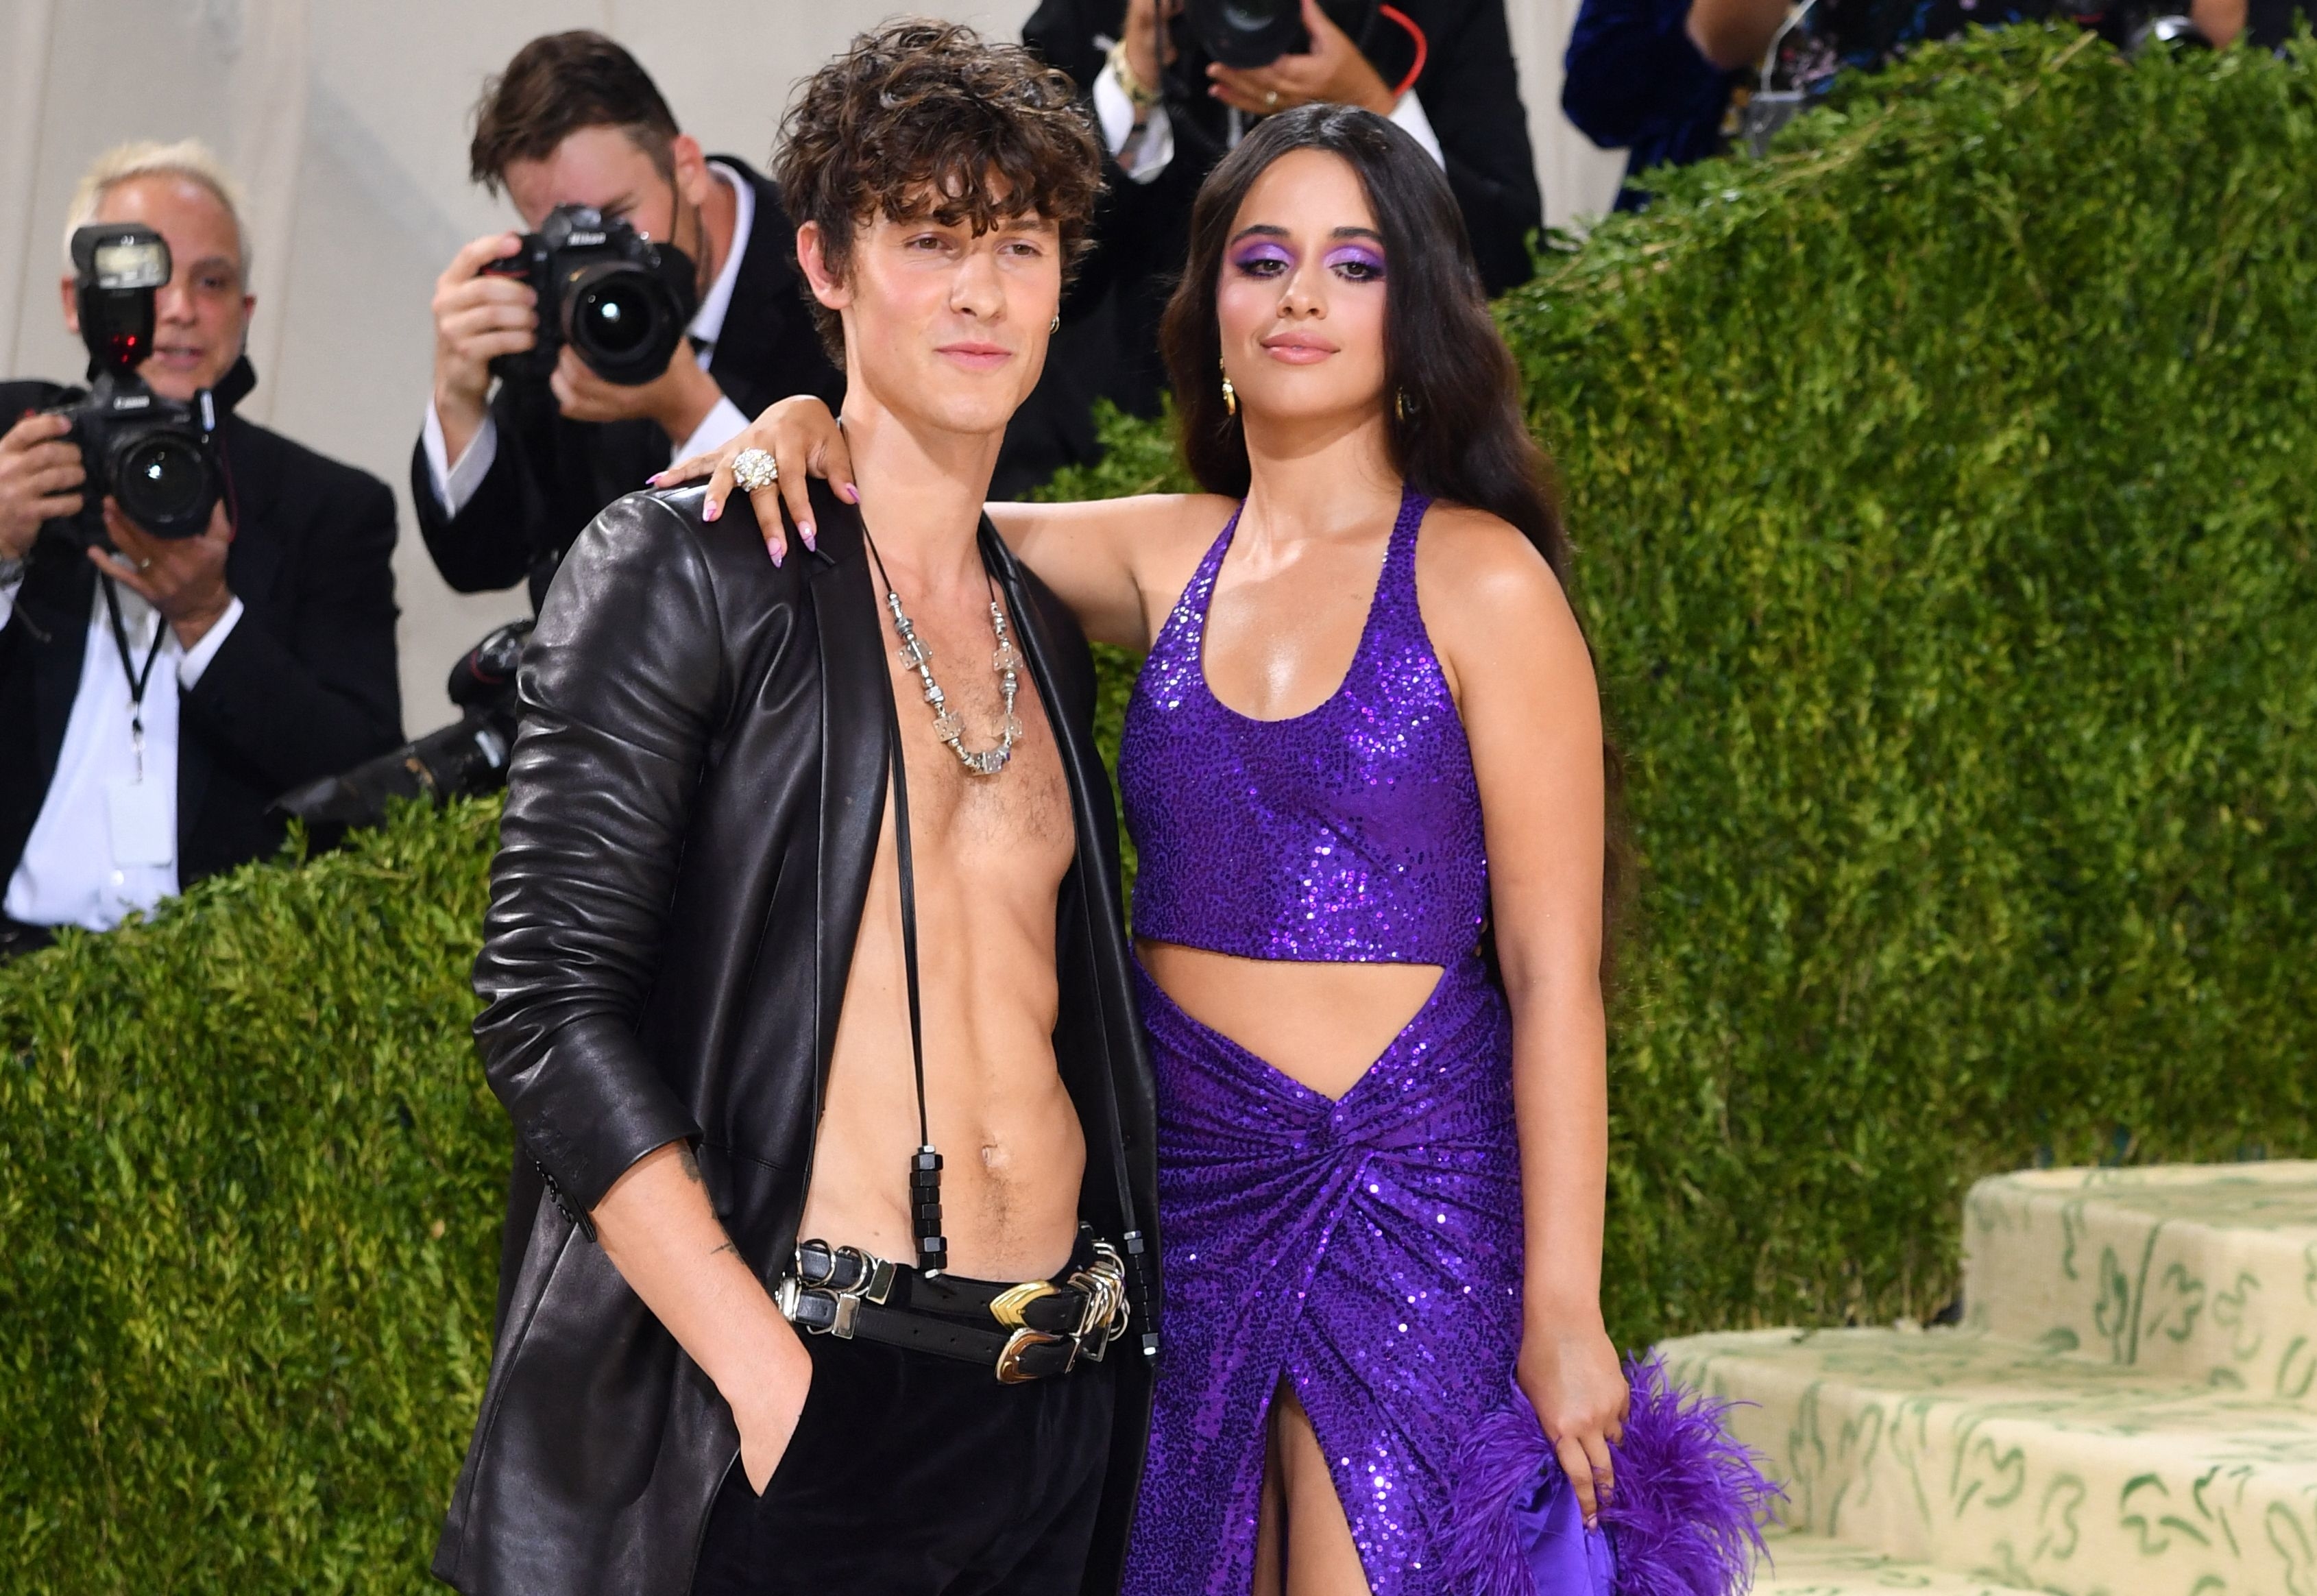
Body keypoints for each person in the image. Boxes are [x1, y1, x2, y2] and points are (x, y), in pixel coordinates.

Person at [681, 104, 1771, 1596]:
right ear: (1210, 313)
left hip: (1410, 1200)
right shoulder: (1160, 552)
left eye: (1354, 265)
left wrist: (1565, 1306)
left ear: (1420, 309)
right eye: (1264, 261)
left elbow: (1552, 972)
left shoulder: (1481, 578)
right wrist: (801, 422)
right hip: (1185, 1194)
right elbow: (913, 518)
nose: (1305, 297)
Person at [430, 24, 1157, 1596]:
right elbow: (544, 1005)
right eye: (931, 239)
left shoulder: (1035, 614)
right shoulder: (682, 565)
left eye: (1019, 244)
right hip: (816, 1398)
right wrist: (765, 1380)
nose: (980, 290)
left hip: (1049, 1411)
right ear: (822, 262)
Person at [0, 141, 400, 960]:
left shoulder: (329, 507)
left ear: (246, 311)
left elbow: (364, 782)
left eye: (210, 282)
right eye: (144, 278)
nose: (178, 308)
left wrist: (209, 621)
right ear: (78, 303)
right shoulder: (12, 447)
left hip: (216, 997)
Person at [999, 0, 1544, 493]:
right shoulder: (1106, 11)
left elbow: (1507, 258)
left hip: (1355, 462)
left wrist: (1368, 112)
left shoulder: (1434, 15)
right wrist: (1133, 84)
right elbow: (1018, 246)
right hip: (1093, 438)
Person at [415, 30, 841, 609]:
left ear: (686, 167)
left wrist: (691, 411)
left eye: (617, 217)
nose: (601, 257)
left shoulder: (827, 272)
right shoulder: (566, 301)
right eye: (566, 233)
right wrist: (457, 399)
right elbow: (480, 561)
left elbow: (852, 571)